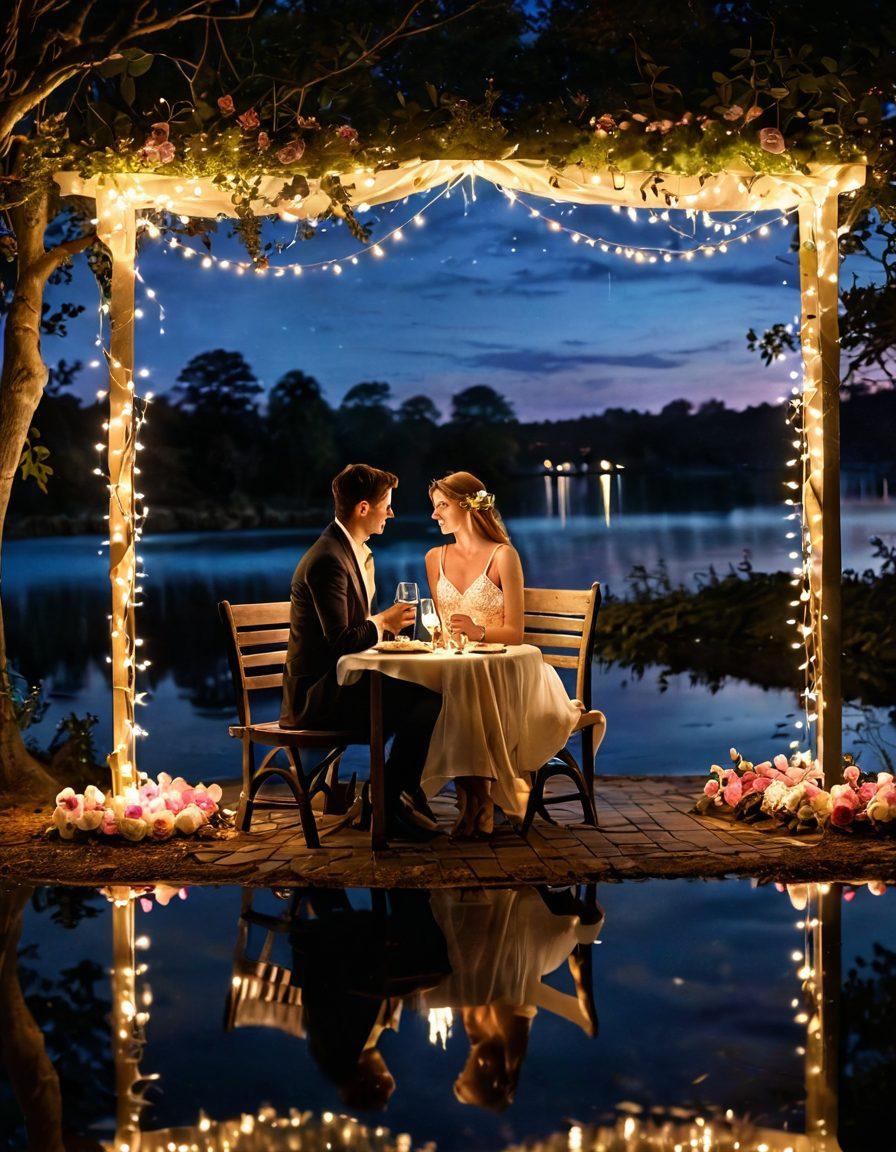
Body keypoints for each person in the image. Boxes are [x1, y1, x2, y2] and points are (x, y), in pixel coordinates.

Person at [280, 463, 441, 841]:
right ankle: (386, 799)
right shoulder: (327, 560)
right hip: (316, 697)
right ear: (364, 508)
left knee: (429, 693)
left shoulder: (348, 552)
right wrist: (382, 621)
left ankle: (392, 797)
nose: (392, 512)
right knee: (428, 701)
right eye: (388, 504)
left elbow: (352, 632)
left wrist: (382, 631)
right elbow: (341, 642)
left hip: (341, 683)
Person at [423, 471, 582, 837]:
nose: (436, 515)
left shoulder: (503, 556)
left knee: (468, 693)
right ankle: (478, 797)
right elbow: (443, 629)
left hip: (510, 676)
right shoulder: (435, 558)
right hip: (460, 669)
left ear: (467, 506)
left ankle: (475, 799)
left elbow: (516, 632)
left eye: (442, 506)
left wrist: (479, 631)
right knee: (457, 689)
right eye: (434, 508)